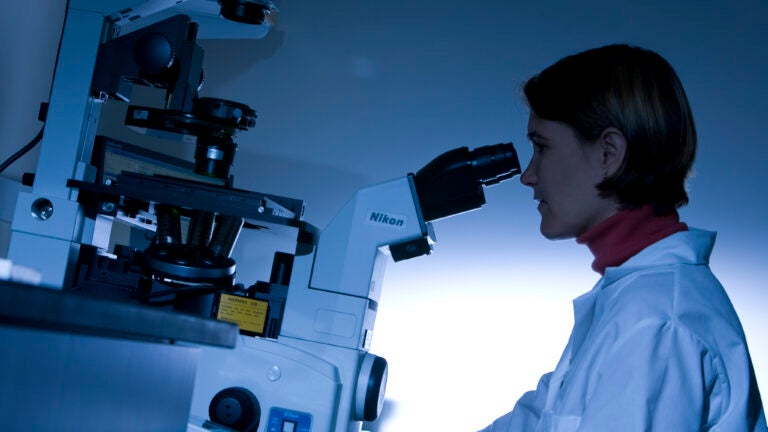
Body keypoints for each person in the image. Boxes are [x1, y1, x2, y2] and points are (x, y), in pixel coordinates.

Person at [478, 44, 767, 431]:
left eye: (542, 147)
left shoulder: (655, 322)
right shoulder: (629, 297)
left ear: (608, 154)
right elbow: (533, 423)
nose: (529, 175)